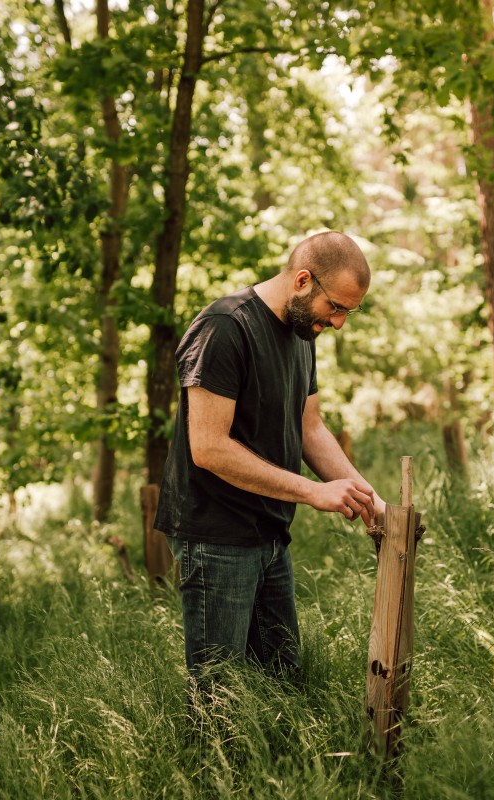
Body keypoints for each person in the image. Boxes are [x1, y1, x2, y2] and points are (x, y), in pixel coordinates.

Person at [154, 230, 386, 678]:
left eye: (348, 312)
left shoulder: (303, 332)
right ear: (302, 281)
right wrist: (313, 492)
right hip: (217, 536)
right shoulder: (224, 327)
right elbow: (209, 448)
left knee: (281, 681)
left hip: (270, 533)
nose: (339, 323)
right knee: (220, 694)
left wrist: (370, 499)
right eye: (335, 307)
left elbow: (310, 428)